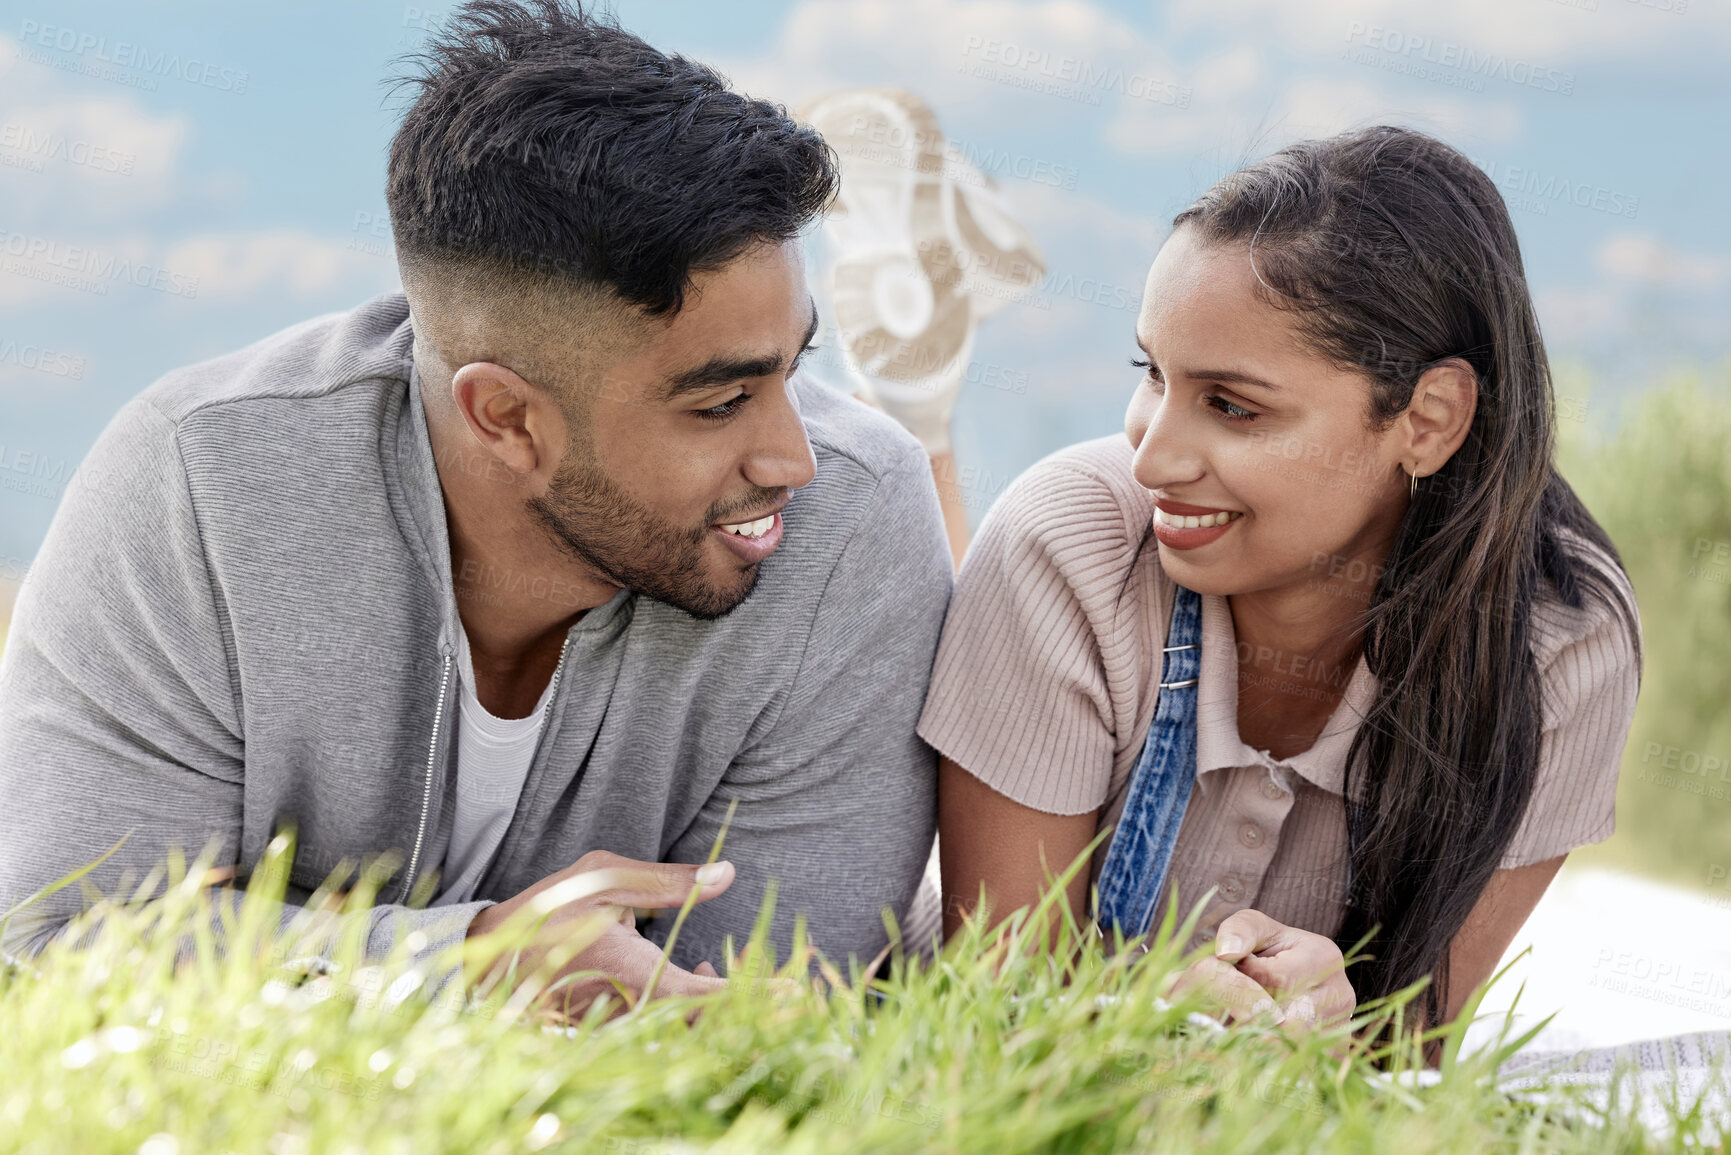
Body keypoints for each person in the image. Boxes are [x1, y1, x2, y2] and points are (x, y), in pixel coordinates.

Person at [0, 0, 954, 1019]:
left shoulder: (857, 519)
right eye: (721, 402)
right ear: (506, 417)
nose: (794, 458)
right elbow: (59, 942)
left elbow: (761, 1016)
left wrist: (296, 961)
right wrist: (465, 967)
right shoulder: (203, 483)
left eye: (794, 369)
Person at [918, 126, 1643, 1037]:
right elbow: (984, 1008)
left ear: (1428, 418)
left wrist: (1338, 1025)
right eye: (1151, 374)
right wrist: (1133, 1018)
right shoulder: (1068, 546)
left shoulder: (1559, 641)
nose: (1154, 458)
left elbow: (1405, 1049)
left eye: (1232, 405)